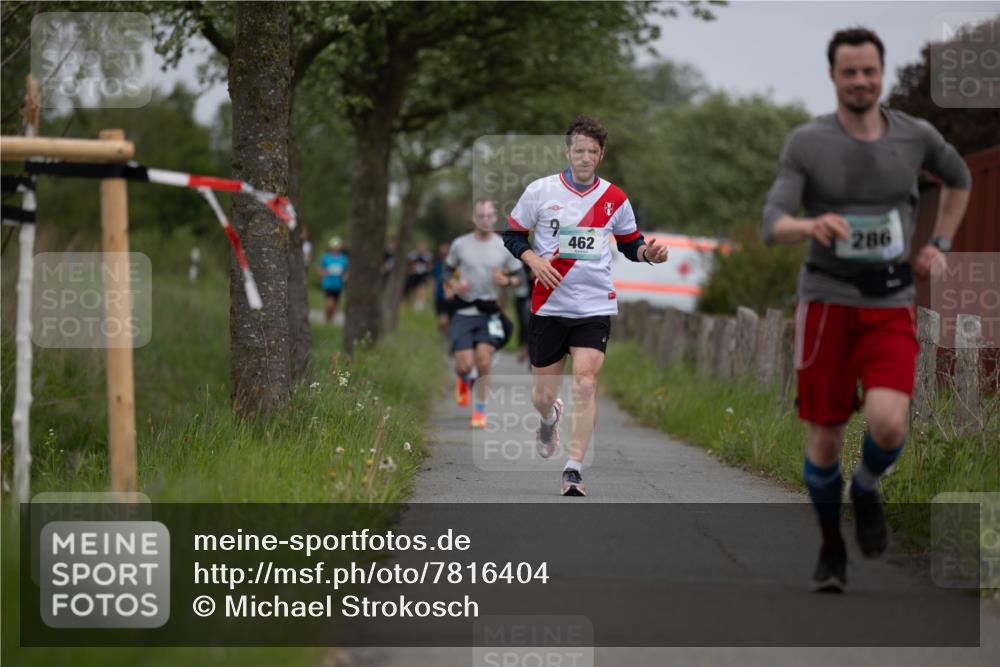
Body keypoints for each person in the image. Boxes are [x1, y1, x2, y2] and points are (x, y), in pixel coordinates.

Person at [761, 27, 971, 592]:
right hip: (826, 301)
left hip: (890, 299)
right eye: (849, 72)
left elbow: (959, 178)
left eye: (869, 71)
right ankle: (832, 547)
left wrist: (940, 244)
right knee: (825, 436)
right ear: (833, 76)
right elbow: (772, 223)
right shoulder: (808, 142)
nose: (860, 81)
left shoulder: (915, 136)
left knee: (889, 421)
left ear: (882, 72)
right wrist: (811, 224)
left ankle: (867, 485)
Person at [503, 115, 668, 496]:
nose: (585, 157)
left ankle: (573, 469)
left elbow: (630, 243)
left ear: (601, 155)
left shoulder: (615, 198)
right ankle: (549, 417)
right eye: (579, 150)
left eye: (593, 152)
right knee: (542, 397)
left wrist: (648, 254)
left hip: (594, 305)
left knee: (586, 383)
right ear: (568, 151)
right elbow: (512, 234)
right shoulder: (540, 191)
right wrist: (534, 260)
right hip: (549, 305)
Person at [446, 199, 524, 429]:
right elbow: (447, 270)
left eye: (490, 216)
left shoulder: (503, 246)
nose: (486, 220)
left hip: (490, 313)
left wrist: (506, 281)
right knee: (464, 364)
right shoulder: (460, 244)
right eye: (481, 216)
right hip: (464, 310)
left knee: (483, 359)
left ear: (495, 218)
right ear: (474, 219)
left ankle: (479, 409)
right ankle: (462, 377)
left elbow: (520, 277)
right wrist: (454, 283)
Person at [318, 236, 349, 324]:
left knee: (334, 305)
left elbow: (347, 271)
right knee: (329, 303)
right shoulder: (326, 257)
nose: (335, 248)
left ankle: (329, 321)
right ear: (331, 247)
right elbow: (320, 269)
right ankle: (327, 319)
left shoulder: (343, 259)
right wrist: (323, 273)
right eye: (334, 246)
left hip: (338, 285)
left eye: (337, 246)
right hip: (328, 284)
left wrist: (345, 277)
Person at [432, 242, 455, 334]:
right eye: (442, 253)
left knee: (450, 319)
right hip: (440, 295)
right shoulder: (437, 265)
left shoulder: (455, 266)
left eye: (446, 253)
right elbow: (434, 279)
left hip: (453, 296)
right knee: (442, 319)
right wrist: (434, 292)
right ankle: (442, 334)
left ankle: (447, 335)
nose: (444, 255)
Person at [405, 241, 434, 312]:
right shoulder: (413, 254)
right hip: (413, 274)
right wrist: (411, 269)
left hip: (422, 274)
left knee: (420, 288)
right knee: (410, 289)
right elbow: (409, 264)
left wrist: (428, 274)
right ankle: (410, 302)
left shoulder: (427, 255)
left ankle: (420, 303)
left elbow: (429, 265)